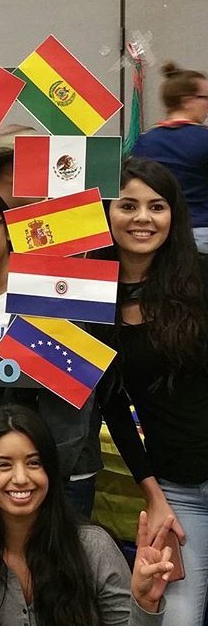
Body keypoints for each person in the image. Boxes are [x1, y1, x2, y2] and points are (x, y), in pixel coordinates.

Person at [89, 155, 208, 625]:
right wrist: (152, 493)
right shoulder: (92, 293)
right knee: (176, 621)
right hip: (177, 488)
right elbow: (112, 404)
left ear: (173, 215)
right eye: (128, 206)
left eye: (156, 207)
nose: (142, 218)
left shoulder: (201, 276)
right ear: (107, 213)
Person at [0, 185, 101, 517]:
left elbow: (73, 403)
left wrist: (46, 479)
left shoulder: (47, 295)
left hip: (56, 480)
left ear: (9, 229)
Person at [0, 405, 173, 625]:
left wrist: (145, 604)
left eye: (34, 463)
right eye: (4, 465)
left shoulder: (94, 547)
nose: (20, 478)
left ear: (51, 471)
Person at [131, 61, 208, 253]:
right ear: (187, 100)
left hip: (159, 235)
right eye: (205, 98)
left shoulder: (144, 141)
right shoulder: (204, 138)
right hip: (201, 234)